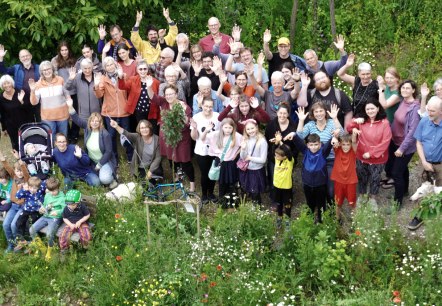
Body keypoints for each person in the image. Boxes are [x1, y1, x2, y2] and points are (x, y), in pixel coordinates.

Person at [290, 103, 343, 203]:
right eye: (316, 111)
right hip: (315, 160)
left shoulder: (331, 123)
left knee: (331, 191)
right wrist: (301, 121)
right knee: (318, 189)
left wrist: (335, 119)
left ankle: (331, 212)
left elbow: (343, 134)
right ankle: (318, 209)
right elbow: (299, 137)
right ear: (313, 114)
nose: (319, 114)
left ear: (325, 112)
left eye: (321, 111)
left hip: (330, 160)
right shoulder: (310, 125)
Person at [147, 82, 195, 192]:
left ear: (176, 94)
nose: (168, 96)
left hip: (181, 138)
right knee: (171, 159)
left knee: (185, 161)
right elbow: (153, 97)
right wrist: (149, 86)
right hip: (167, 137)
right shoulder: (164, 102)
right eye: (167, 94)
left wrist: (182, 112)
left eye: (171, 94)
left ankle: (192, 184)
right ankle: (177, 176)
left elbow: (187, 123)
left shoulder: (184, 106)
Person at [346, 98, 392, 209]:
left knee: (375, 178)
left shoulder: (384, 123)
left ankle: (372, 198)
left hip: (377, 158)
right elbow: (348, 128)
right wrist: (354, 122)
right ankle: (361, 196)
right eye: (367, 109)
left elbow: (386, 141)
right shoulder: (362, 121)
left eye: (372, 108)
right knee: (362, 177)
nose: (370, 111)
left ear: (377, 108)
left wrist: (371, 153)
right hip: (361, 156)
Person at [408, 96, 442, 230]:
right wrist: (423, 161)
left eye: (432, 111)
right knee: (424, 190)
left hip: (441, 165)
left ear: (441, 111)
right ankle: (419, 216)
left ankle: (437, 217)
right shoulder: (424, 121)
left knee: (439, 191)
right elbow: (419, 142)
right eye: (427, 110)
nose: (428, 113)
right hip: (426, 163)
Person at [66, 99, 117, 188]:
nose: (94, 123)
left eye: (97, 121)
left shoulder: (105, 134)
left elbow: (108, 152)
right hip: (92, 162)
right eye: (92, 121)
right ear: (89, 122)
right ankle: (99, 173)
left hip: (104, 161)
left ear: (100, 123)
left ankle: (112, 179)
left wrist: (99, 165)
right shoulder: (87, 129)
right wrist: (70, 106)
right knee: (95, 180)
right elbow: (76, 119)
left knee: (105, 179)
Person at [386, 80, 420, 207]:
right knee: (403, 168)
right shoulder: (403, 102)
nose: (404, 90)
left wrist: (402, 149)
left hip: (404, 146)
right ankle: (403, 191)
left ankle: (397, 203)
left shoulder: (414, 107)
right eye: (403, 88)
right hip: (395, 141)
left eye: (408, 88)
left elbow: (412, 132)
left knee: (396, 173)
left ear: (413, 90)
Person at [94, 56, 132, 162]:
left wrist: (121, 78)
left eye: (111, 64)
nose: (110, 67)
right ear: (105, 68)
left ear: (115, 65)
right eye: (107, 65)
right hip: (110, 113)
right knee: (111, 137)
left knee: (126, 135)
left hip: (124, 112)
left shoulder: (123, 75)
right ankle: (114, 158)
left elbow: (129, 88)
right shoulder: (103, 79)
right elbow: (99, 95)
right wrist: (96, 86)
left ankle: (130, 157)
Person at [292, 133, 333, 224]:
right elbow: (299, 143)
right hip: (307, 184)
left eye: (316, 145)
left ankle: (321, 221)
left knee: (321, 205)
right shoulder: (306, 151)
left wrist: (334, 138)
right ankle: (310, 221)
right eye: (311, 145)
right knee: (310, 204)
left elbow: (329, 144)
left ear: (320, 144)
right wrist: (294, 135)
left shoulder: (323, 152)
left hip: (320, 185)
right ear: (308, 145)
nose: (314, 147)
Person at [203, 118, 242, 208]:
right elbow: (203, 139)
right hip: (220, 162)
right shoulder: (216, 135)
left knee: (232, 182)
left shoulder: (236, 136)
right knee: (221, 183)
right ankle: (223, 203)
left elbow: (243, 144)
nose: (227, 130)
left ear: (233, 128)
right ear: (222, 127)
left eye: (230, 128)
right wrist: (206, 130)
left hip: (231, 163)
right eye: (225, 127)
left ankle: (233, 203)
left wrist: (235, 154)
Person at [264, 103, 298, 203]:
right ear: (277, 113)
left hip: (288, 157)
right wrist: (274, 142)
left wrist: (293, 158)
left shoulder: (293, 126)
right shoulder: (271, 125)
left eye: (285, 113)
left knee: (287, 177)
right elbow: (267, 140)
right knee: (274, 177)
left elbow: (296, 144)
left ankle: (287, 198)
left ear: (288, 114)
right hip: (274, 157)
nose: (282, 115)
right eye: (280, 113)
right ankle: (275, 200)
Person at [29, 60, 72, 136]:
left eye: (48, 69)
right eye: (44, 70)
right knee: (51, 139)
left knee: (63, 137)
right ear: (41, 72)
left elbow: (66, 93)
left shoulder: (60, 79)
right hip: (47, 118)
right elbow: (34, 102)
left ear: (52, 69)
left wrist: (69, 102)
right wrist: (32, 91)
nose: (47, 71)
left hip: (62, 115)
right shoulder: (38, 84)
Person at [190, 99, 220, 204]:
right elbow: (194, 138)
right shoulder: (196, 118)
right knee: (204, 173)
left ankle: (211, 193)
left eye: (210, 106)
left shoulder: (217, 116)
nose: (208, 109)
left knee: (213, 172)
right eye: (206, 106)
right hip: (201, 150)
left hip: (214, 150)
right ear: (201, 105)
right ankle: (204, 194)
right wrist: (194, 129)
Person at [118, 60, 160, 134]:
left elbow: (158, 98)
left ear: (148, 69)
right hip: (139, 112)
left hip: (152, 111)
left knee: (153, 132)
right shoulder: (133, 79)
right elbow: (122, 87)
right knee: (141, 132)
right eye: (140, 69)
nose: (143, 71)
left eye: (145, 69)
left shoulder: (155, 82)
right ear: (137, 70)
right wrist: (120, 77)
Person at [28, 177, 65, 260]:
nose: (52, 193)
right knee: (32, 230)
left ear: (58, 188)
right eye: (50, 191)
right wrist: (42, 209)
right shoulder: (48, 195)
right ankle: (41, 248)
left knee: (49, 234)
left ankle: (49, 250)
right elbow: (45, 205)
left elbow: (65, 209)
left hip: (56, 218)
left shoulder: (62, 197)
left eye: (54, 191)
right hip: (46, 216)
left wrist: (58, 212)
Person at [0, 46, 41, 121]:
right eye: (23, 56)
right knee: (27, 122)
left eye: (27, 55)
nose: (25, 58)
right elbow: (4, 71)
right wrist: (1, 58)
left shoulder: (39, 68)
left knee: (40, 120)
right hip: (22, 100)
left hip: (37, 99)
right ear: (20, 59)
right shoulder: (16, 68)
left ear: (31, 56)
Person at [0, 150, 30, 253]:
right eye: (17, 171)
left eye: (20, 170)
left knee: (14, 225)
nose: (19, 173)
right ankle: (11, 244)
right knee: (5, 225)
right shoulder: (14, 177)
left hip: (22, 206)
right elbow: (8, 168)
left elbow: (25, 171)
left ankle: (20, 244)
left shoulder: (27, 179)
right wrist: (3, 160)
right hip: (13, 206)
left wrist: (18, 159)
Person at [51, 41, 80, 143]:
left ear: (69, 50)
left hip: (74, 91)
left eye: (66, 50)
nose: (64, 52)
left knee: (75, 113)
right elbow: (53, 76)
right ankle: (66, 134)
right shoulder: (55, 61)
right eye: (62, 50)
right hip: (62, 92)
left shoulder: (74, 60)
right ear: (59, 51)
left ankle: (74, 134)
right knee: (65, 115)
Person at [0, 75, 34, 151]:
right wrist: (4, 128)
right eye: (4, 84)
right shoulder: (1, 97)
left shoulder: (21, 92)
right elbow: (2, 114)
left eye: (8, 83)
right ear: (2, 86)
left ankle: (30, 161)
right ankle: (20, 161)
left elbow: (29, 109)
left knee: (29, 144)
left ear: (11, 83)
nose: (6, 85)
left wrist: (21, 101)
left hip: (25, 124)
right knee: (16, 146)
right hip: (11, 127)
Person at [239, 119, 268, 205]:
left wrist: (250, 158)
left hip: (257, 170)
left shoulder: (262, 141)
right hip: (247, 169)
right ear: (245, 130)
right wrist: (243, 149)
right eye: (248, 129)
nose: (250, 131)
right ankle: (253, 205)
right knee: (249, 189)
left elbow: (263, 160)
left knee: (255, 191)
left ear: (257, 127)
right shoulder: (246, 140)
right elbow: (242, 157)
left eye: (252, 128)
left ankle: (257, 207)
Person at [13, 176, 46, 252]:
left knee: (28, 224)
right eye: (30, 187)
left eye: (34, 188)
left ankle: (29, 243)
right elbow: (17, 196)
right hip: (26, 210)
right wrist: (23, 189)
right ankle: (22, 240)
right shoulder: (26, 191)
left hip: (36, 211)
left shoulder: (40, 190)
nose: (32, 190)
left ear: (38, 187)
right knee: (18, 222)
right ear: (28, 186)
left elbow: (45, 182)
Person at [331, 133, 358, 222]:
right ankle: (337, 219)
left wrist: (354, 132)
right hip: (339, 181)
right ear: (340, 144)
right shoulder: (338, 150)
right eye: (343, 144)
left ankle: (355, 221)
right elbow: (334, 142)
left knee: (352, 203)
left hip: (351, 182)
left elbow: (354, 142)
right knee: (338, 203)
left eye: (348, 144)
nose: (346, 147)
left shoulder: (353, 152)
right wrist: (335, 137)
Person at [271, 132, 295, 229]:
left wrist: (281, 141)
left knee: (287, 204)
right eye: (276, 155)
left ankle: (288, 220)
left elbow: (288, 153)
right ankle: (279, 217)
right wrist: (276, 142)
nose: (275, 156)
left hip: (286, 187)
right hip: (277, 186)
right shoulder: (277, 159)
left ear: (284, 156)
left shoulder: (289, 161)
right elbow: (273, 151)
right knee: (279, 203)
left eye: (278, 155)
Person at [59, 189, 91, 254]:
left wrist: (80, 221)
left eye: (73, 205)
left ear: (78, 202)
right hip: (70, 223)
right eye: (68, 204)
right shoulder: (66, 208)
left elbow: (87, 215)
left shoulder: (82, 207)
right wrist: (70, 224)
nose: (70, 206)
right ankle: (64, 250)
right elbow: (64, 218)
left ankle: (87, 248)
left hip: (81, 223)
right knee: (63, 236)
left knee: (86, 235)